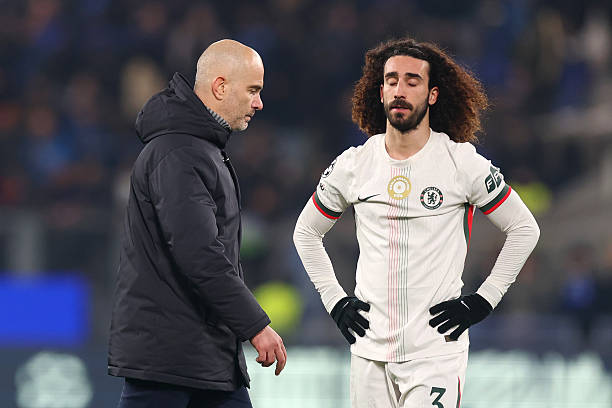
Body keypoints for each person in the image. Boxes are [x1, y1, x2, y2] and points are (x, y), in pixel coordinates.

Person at [293, 37, 540, 408]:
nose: (400, 90)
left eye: (412, 81)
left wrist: (484, 300)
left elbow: (524, 228)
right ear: (380, 92)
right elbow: (306, 231)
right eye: (391, 80)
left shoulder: (461, 163)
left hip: (435, 354)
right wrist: (335, 300)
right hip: (368, 352)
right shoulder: (354, 165)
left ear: (432, 94)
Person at [108, 39, 286, 408]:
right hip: (168, 363)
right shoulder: (179, 153)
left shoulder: (201, 150)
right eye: (253, 90)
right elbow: (199, 254)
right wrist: (255, 325)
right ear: (220, 87)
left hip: (204, 357)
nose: (259, 103)